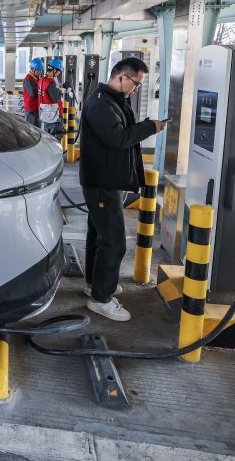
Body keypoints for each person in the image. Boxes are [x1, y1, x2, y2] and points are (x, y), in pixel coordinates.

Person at [78, 57, 167, 321]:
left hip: (106, 180)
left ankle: (95, 285)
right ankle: (101, 299)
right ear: (121, 77)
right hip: (102, 183)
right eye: (136, 84)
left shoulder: (113, 100)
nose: (136, 89)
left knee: (99, 236)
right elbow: (118, 138)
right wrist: (150, 127)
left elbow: (123, 130)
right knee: (114, 243)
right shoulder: (101, 103)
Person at [38, 58, 65, 137]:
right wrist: (61, 91)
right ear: (54, 70)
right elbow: (55, 98)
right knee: (56, 138)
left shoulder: (42, 80)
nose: (57, 74)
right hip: (54, 116)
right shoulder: (50, 82)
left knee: (48, 138)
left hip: (45, 115)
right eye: (58, 72)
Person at [22, 58, 44, 127]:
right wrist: (43, 90)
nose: (40, 72)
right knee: (32, 129)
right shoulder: (28, 79)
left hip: (36, 108)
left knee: (37, 128)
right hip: (31, 110)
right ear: (33, 69)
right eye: (39, 70)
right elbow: (33, 93)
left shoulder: (36, 78)